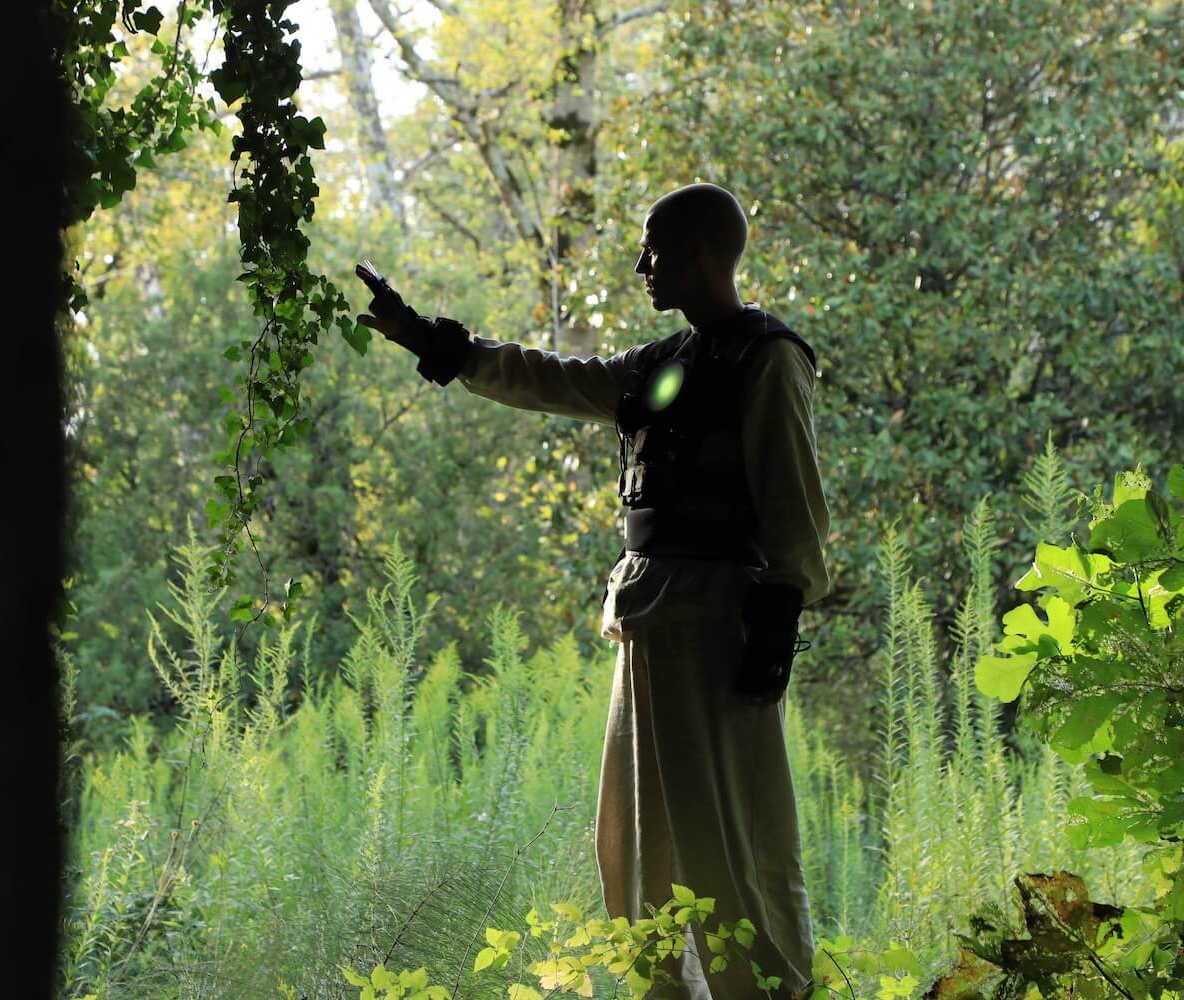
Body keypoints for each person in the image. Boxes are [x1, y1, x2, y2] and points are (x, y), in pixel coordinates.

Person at [355, 182, 830, 1000]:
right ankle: (663, 990)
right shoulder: (659, 365)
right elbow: (551, 379)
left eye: (654, 247)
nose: (641, 264)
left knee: (733, 847)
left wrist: (777, 621)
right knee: (635, 844)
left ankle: (770, 991)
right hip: (647, 621)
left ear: (702, 255)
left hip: (720, 630)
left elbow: (795, 504)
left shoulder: (768, 358)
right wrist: (432, 341)